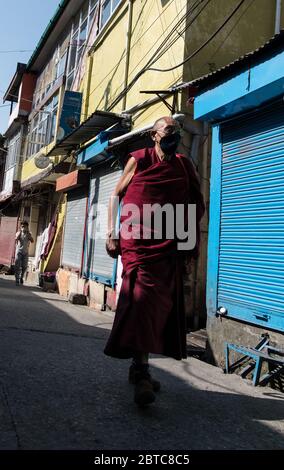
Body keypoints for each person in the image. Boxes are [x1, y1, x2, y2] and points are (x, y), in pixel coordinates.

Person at [105, 116, 205, 407]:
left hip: (167, 248)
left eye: (177, 131)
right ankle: (143, 371)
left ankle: (139, 367)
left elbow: (193, 205)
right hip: (138, 245)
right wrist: (112, 233)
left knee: (159, 311)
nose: (174, 136)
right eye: (169, 131)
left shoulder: (185, 166)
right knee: (141, 304)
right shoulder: (139, 159)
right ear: (154, 135)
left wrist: (188, 249)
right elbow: (116, 194)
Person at [15, 221, 34, 286]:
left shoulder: (29, 233)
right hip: (19, 252)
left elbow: (32, 241)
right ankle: (17, 279)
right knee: (17, 266)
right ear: (21, 227)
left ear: (27, 227)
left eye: (25, 226)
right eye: (22, 226)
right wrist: (20, 233)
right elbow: (16, 239)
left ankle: (21, 277)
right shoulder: (18, 233)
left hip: (25, 252)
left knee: (24, 266)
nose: (23, 228)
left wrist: (29, 235)